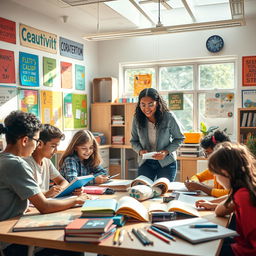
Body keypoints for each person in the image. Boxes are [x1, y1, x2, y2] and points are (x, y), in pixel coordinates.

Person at [0, 111, 87, 256]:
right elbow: (44, 206)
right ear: (24, 140)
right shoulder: (17, 164)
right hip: (12, 242)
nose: (36, 145)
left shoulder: (4, 160)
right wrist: (76, 200)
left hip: (9, 230)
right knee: (75, 246)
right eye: (36, 140)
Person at [207, 142, 256, 255]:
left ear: (225, 172)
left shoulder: (243, 196)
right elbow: (220, 210)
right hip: (244, 245)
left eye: (215, 174)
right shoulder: (246, 188)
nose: (216, 178)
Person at [130, 88, 184, 182]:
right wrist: (140, 151)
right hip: (146, 162)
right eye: (143, 105)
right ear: (139, 105)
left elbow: (179, 138)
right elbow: (133, 141)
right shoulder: (136, 119)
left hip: (166, 162)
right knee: (142, 189)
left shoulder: (168, 117)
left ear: (157, 103)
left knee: (162, 190)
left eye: (150, 104)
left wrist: (166, 151)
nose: (146, 108)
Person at [23, 124, 74, 198]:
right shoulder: (26, 163)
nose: (56, 150)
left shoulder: (46, 161)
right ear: (39, 144)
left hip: (45, 203)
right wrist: (47, 193)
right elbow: (28, 195)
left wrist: (59, 189)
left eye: (57, 146)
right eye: (53, 146)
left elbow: (63, 182)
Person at [185, 129, 230, 197]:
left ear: (218, 150)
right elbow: (197, 176)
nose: (207, 157)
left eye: (208, 153)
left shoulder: (231, 167)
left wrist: (202, 187)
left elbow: (230, 194)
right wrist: (194, 183)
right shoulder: (217, 166)